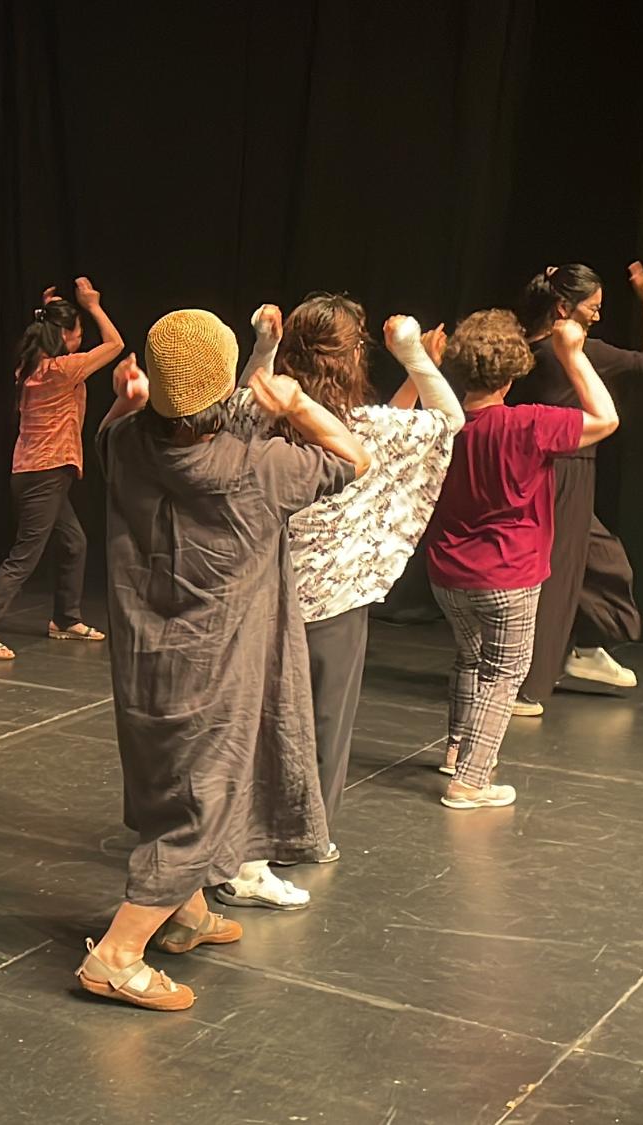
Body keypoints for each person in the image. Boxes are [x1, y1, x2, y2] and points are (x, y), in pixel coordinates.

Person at [76, 306, 368, 1012]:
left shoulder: (128, 442)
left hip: (147, 660)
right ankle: (116, 955)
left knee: (169, 782)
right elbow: (352, 458)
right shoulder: (258, 467)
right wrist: (296, 404)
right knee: (205, 801)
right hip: (216, 665)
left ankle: (188, 912)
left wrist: (126, 399)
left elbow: (117, 430)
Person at [215, 299, 463, 910]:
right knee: (324, 716)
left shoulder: (260, 414)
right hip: (335, 592)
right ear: (355, 356)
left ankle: (240, 829)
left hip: (261, 588)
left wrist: (264, 347)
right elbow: (449, 418)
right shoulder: (371, 427)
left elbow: (246, 397)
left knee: (255, 713)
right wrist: (412, 352)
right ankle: (306, 833)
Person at [424, 313, 617, 810]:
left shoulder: (442, 423)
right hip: (508, 573)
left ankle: (457, 752)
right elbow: (606, 419)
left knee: (471, 659)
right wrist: (573, 356)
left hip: (448, 572)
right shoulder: (528, 424)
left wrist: (421, 364)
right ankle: (470, 780)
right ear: (511, 376)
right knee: (504, 671)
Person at [509, 261, 643, 714]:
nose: (597, 316)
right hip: (565, 470)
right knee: (558, 574)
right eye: (592, 307)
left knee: (601, 562)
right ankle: (527, 686)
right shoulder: (577, 353)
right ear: (564, 307)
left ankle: (582, 647)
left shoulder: (522, 347)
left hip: (531, 466)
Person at [0, 277, 124, 660]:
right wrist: (93, 305)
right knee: (24, 557)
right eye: (77, 332)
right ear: (64, 335)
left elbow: (45, 332)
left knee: (74, 543)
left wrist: (50, 307)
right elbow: (116, 344)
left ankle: (65, 619)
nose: (81, 338)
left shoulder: (30, 367)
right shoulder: (61, 370)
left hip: (35, 470)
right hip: (46, 472)